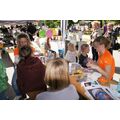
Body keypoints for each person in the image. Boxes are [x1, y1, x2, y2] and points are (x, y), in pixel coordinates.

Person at [12, 33, 35, 99]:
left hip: (30, 67)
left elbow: (33, 58)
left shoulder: (32, 49)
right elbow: (16, 61)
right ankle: (19, 94)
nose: (23, 43)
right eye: (21, 42)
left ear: (28, 41)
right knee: (14, 82)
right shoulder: (16, 50)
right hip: (20, 67)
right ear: (19, 43)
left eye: (25, 41)